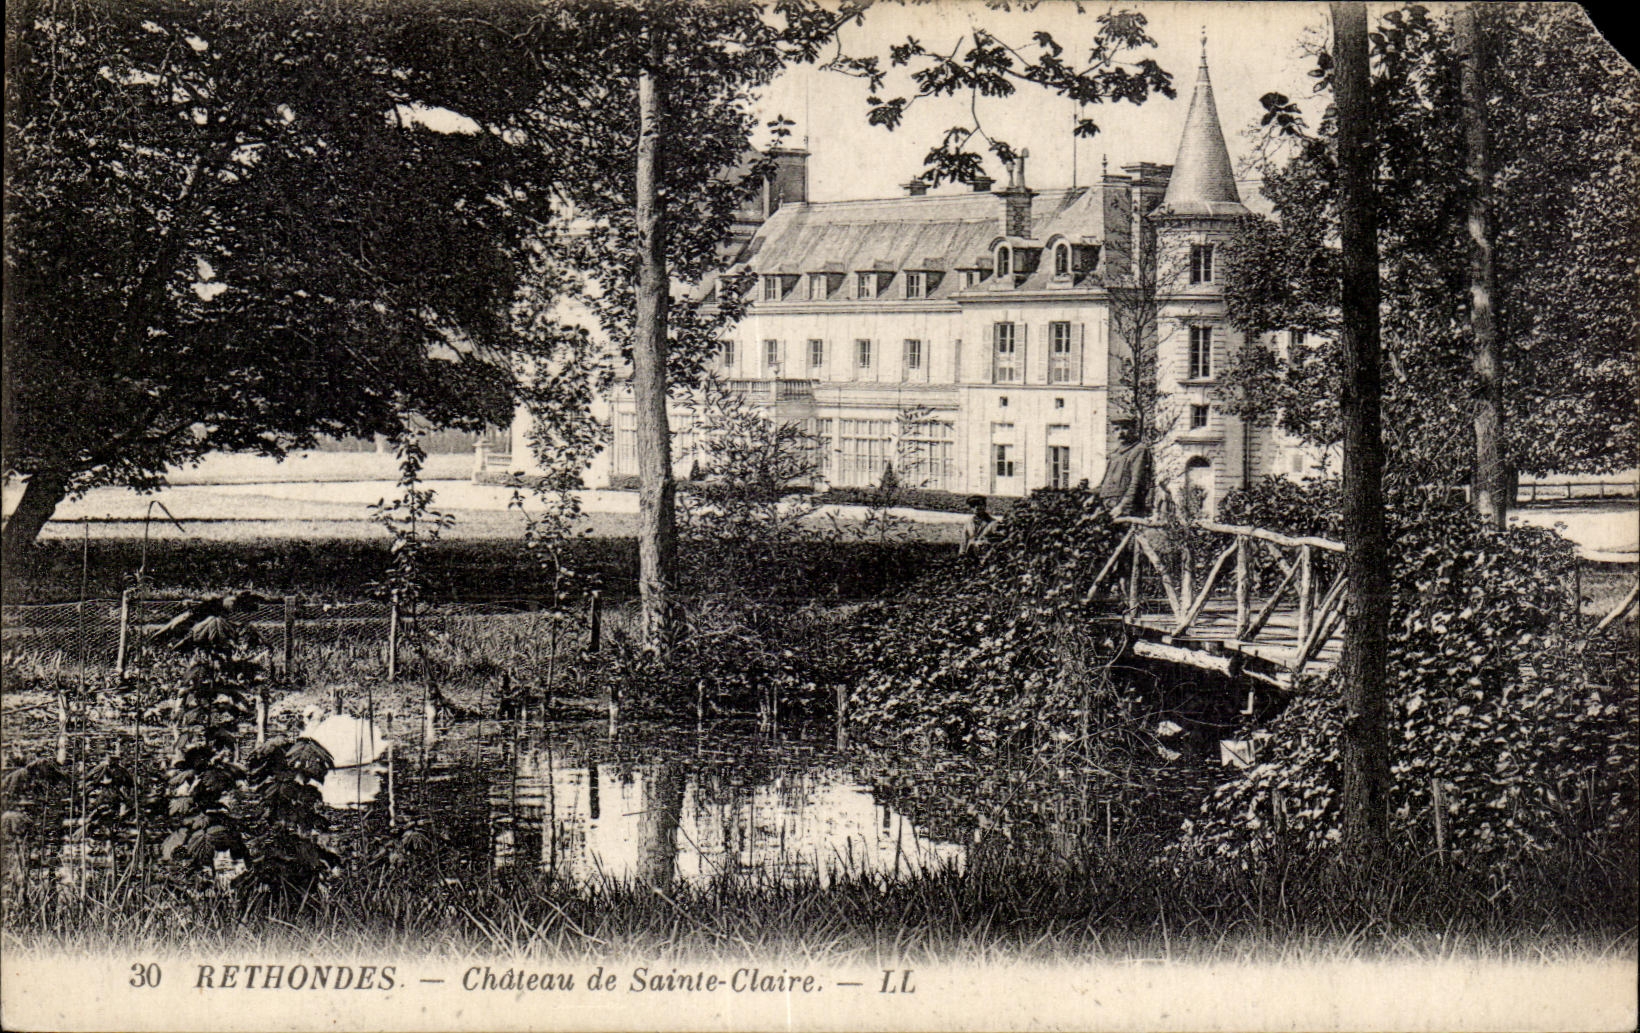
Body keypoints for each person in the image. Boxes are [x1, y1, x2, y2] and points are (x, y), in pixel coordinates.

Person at [1097, 427, 1152, 518]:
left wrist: (1122, 506)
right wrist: (1092, 496)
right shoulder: (1114, 454)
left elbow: (1136, 482)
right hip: (1108, 506)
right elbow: (1104, 484)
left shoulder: (1138, 450)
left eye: (1125, 428)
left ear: (1133, 430)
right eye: (1116, 429)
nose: (1121, 433)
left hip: (1125, 508)